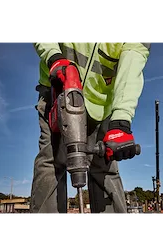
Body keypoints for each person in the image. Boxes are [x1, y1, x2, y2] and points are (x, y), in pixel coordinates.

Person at [30, 40, 151, 216]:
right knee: (51, 162)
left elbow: (132, 62)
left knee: (105, 167)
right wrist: (54, 57)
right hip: (57, 92)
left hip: (101, 106)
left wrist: (120, 120)